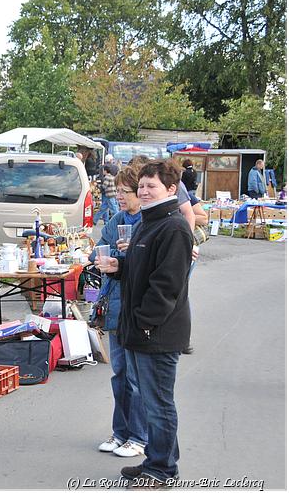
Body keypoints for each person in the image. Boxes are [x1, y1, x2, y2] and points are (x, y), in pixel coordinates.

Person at [96, 159, 193, 488]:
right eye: (142, 186)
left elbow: (166, 286)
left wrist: (144, 324)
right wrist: (118, 267)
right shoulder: (147, 224)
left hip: (157, 333)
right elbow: (140, 272)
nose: (144, 191)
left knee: (158, 402)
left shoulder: (174, 227)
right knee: (152, 403)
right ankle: (158, 460)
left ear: (170, 189)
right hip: (140, 330)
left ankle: (163, 470)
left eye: (151, 186)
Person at [89, 165, 147, 460]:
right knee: (120, 374)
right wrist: (114, 250)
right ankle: (121, 432)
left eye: (126, 192)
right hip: (114, 303)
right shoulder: (117, 219)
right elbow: (95, 252)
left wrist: (128, 251)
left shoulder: (149, 222)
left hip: (137, 307)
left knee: (136, 377)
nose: (120, 196)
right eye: (119, 191)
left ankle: (139, 437)